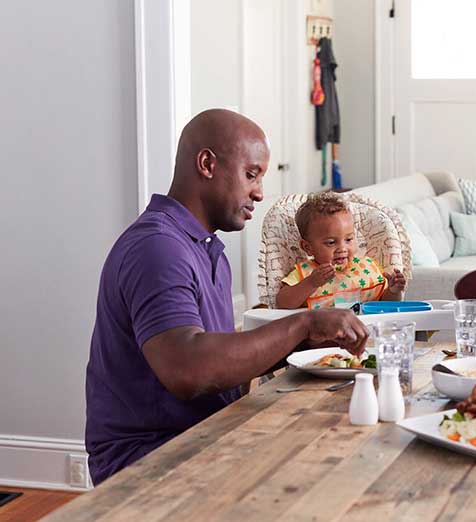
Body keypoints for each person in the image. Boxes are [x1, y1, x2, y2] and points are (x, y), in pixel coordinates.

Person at [85, 109, 369, 485]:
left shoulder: (203, 247)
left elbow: (218, 358)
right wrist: (304, 322)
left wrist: (306, 340)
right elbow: (190, 370)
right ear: (206, 164)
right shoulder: (158, 248)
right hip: (148, 461)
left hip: (204, 435)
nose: (260, 192)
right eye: (251, 174)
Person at [275, 191, 407, 309]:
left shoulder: (364, 268)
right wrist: (311, 283)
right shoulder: (306, 273)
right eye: (331, 242)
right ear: (308, 248)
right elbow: (282, 302)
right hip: (323, 334)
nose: (342, 248)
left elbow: (385, 305)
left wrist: (394, 291)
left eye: (348, 239)